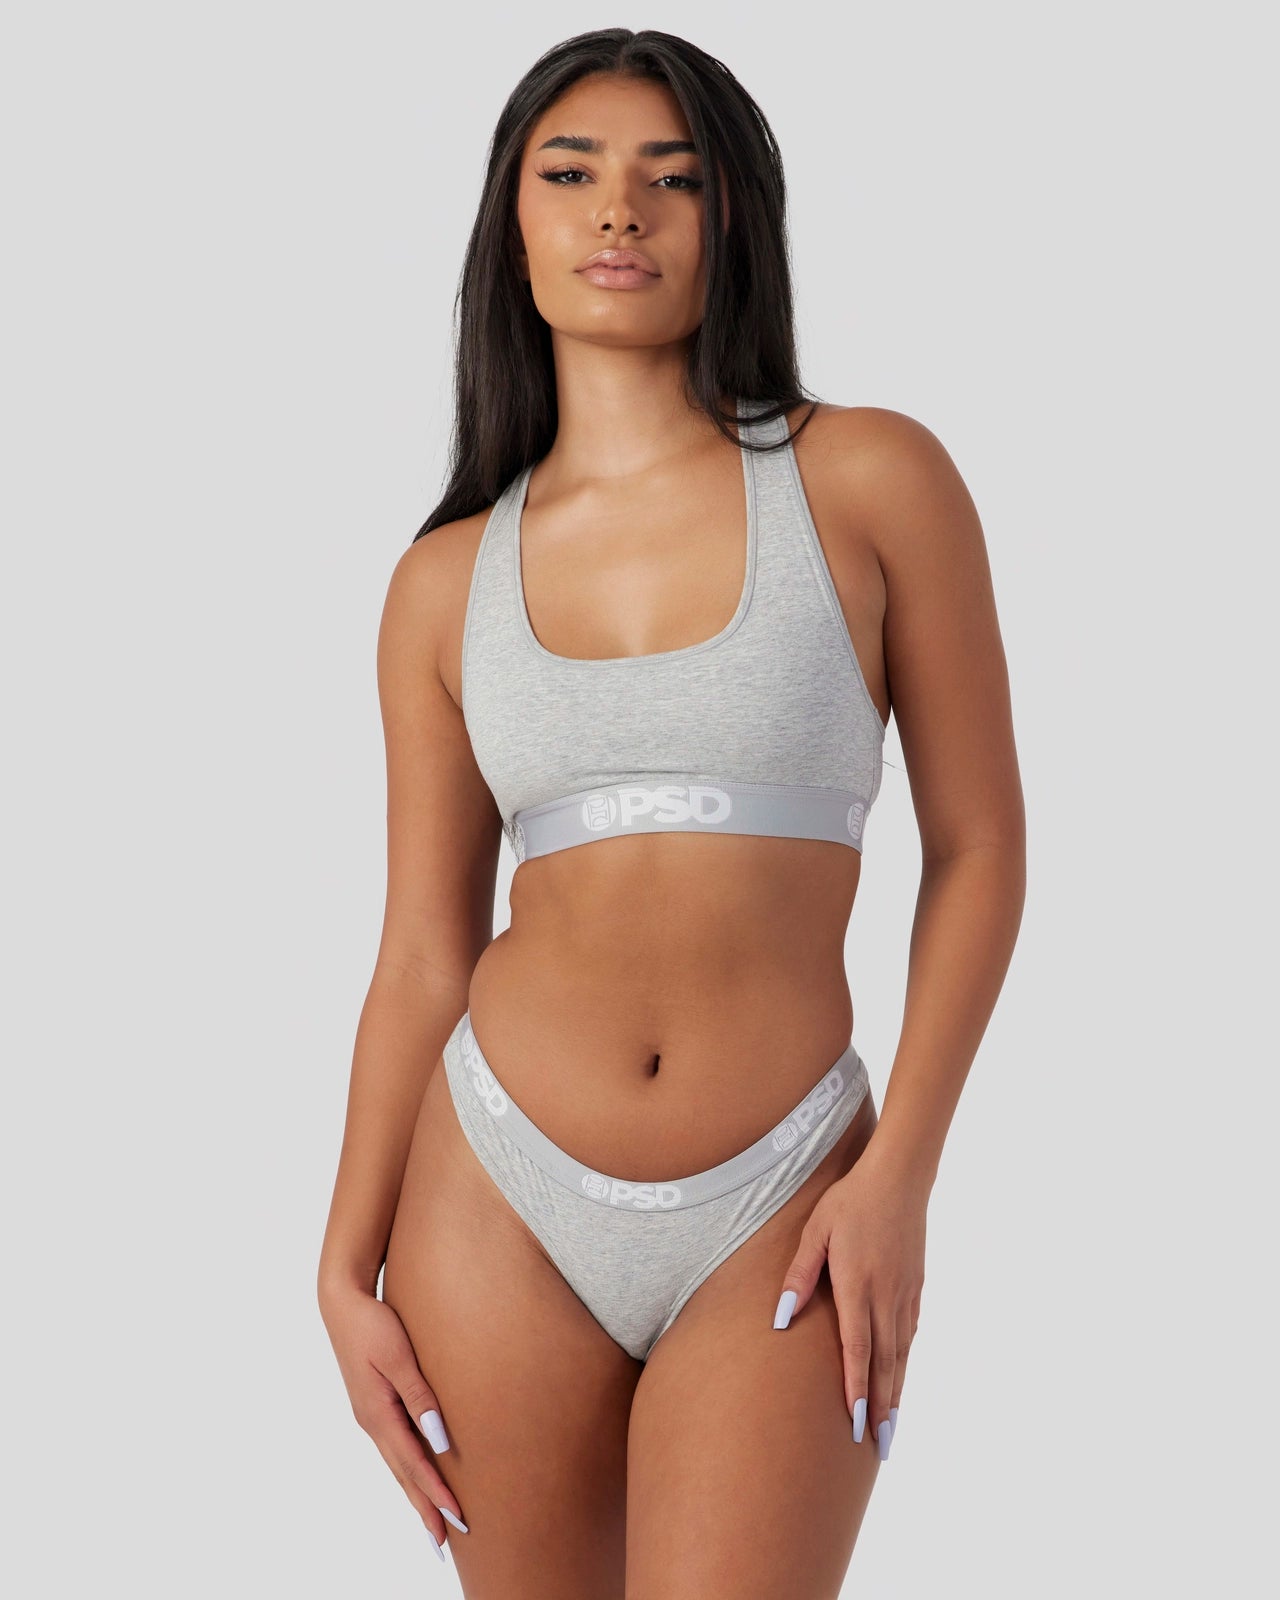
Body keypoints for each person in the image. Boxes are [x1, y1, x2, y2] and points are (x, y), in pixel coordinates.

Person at [318, 26, 1025, 1598]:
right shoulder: (442, 582)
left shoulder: (871, 480)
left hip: (789, 1196)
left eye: (673, 178)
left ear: (733, 220)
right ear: (513, 224)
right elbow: (423, 951)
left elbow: (981, 849)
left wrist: (901, 1171)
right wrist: (341, 1264)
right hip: (494, 1191)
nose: (618, 212)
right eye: (570, 174)